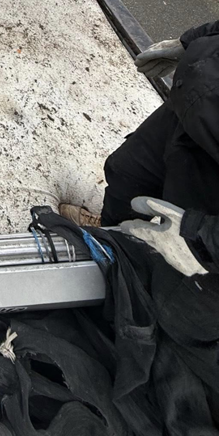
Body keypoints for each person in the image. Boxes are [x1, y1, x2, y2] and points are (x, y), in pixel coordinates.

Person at [61, 20, 219, 277]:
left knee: (179, 267)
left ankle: (132, 288)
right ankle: (110, 236)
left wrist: (205, 238)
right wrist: (194, 41)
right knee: (126, 174)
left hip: (212, 172)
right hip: (193, 106)